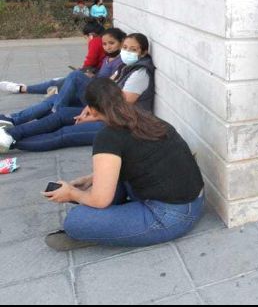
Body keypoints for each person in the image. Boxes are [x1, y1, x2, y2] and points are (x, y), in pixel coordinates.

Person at [42, 78, 204, 251]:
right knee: (109, 182)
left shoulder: (108, 138)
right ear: (121, 96)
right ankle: (117, 222)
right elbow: (139, 158)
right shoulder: (145, 117)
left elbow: (100, 200)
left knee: (75, 220)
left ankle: (107, 232)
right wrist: (92, 178)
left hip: (171, 216)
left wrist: (72, 193)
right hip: (195, 201)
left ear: (91, 110)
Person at [0, 33, 155, 153]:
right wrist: (90, 108)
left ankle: (10, 142)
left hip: (123, 126)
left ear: (143, 52)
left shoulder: (140, 73)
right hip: (107, 113)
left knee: (63, 134)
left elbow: (120, 107)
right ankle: (11, 133)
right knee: (61, 115)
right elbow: (109, 91)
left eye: (133, 49)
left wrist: (93, 117)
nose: (127, 51)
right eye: (125, 47)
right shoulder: (126, 66)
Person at [0, 28, 126, 127]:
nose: (108, 47)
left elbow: (112, 84)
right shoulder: (107, 58)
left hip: (101, 99)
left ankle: (58, 110)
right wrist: (91, 75)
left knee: (74, 76)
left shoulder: (121, 61)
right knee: (54, 97)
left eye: (111, 43)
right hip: (94, 90)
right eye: (104, 44)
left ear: (121, 43)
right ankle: (14, 119)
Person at [0, 21, 107, 96]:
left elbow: (90, 61)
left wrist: (81, 71)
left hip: (95, 78)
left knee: (56, 83)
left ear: (91, 35)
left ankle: (22, 88)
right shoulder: (103, 40)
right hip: (97, 75)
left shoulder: (95, 41)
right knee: (59, 82)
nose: (86, 40)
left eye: (85, 37)